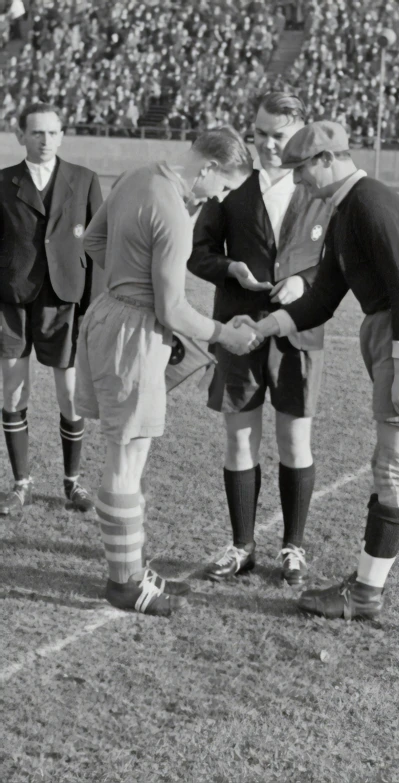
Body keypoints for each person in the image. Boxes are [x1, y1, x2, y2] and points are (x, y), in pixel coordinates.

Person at [237, 120, 399, 621]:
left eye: (301, 169)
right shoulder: (345, 212)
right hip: (397, 336)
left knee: (396, 468)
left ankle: (364, 594)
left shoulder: (370, 204)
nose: (297, 181)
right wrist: (264, 326)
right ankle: (364, 585)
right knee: (388, 466)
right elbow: (321, 299)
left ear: (326, 160)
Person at [76, 127, 262, 617]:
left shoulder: (138, 175)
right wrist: (225, 333)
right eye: (221, 187)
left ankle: (132, 570)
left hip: (112, 316)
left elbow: (94, 240)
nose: (219, 197)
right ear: (207, 169)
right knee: (125, 458)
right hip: (134, 332)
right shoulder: (174, 212)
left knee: (130, 452)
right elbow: (174, 308)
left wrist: (127, 273)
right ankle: (124, 584)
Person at [188, 92, 333, 586]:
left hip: (298, 331)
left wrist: (306, 282)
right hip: (240, 331)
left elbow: (339, 259)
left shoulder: (318, 186)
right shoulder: (233, 186)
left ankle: (293, 547)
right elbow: (198, 254)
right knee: (240, 438)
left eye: (280, 135)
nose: (269, 145)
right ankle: (242, 546)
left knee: (295, 441)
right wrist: (231, 268)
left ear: (300, 132)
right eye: (260, 133)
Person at [0, 101, 103, 516]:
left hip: (65, 301)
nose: (45, 140)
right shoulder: (3, 182)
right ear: (20, 135)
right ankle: (20, 483)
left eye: (53, 133)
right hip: (12, 299)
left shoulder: (85, 179)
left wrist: (93, 306)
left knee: (70, 396)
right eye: (37, 132)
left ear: (62, 135)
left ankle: (72, 483)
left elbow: (96, 246)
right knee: (13, 391)